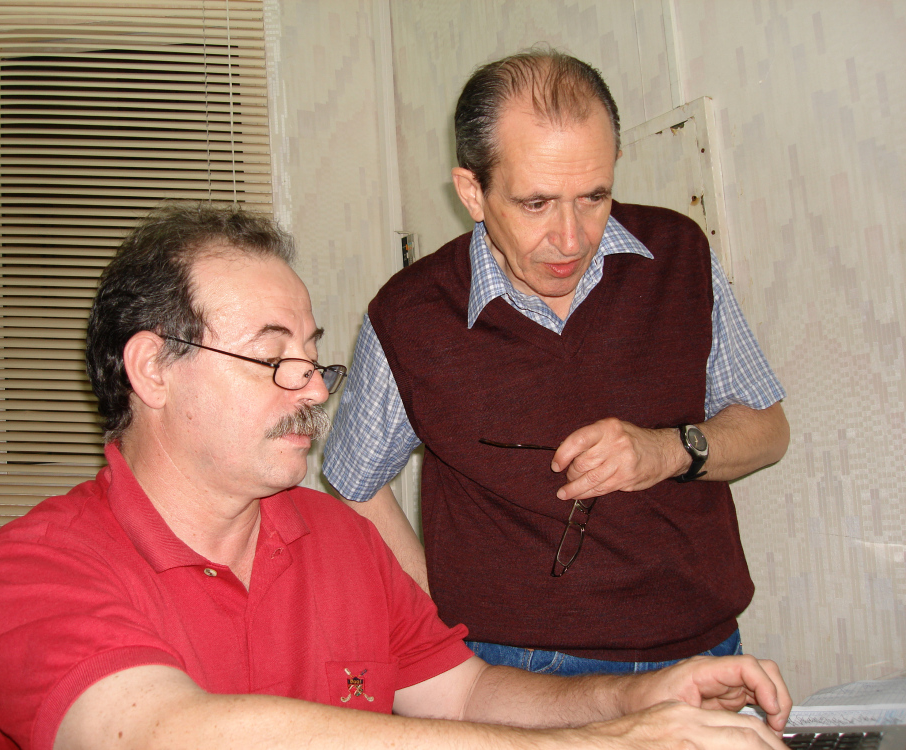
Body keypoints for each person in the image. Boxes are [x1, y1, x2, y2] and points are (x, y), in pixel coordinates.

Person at [0, 202, 792, 750]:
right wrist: (594, 746)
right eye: (271, 356)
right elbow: (169, 731)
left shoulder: (341, 541)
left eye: (311, 353)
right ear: (153, 368)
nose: (316, 387)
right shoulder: (34, 570)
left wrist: (644, 700)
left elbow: (465, 698)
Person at [322, 48, 790, 675]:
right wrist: (441, 618)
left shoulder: (678, 253)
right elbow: (354, 481)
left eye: (595, 196)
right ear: (472, 191)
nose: (571, 240)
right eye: (536, 203)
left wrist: (668, 451)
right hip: (519, 671)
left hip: (702, 651)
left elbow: (768, 430)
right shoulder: (409, 314)